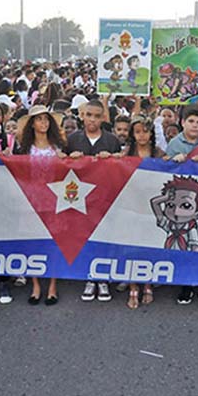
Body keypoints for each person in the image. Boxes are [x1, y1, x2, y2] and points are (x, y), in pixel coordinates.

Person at [66, 99, 122, 302]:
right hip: (80, 199)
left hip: (104, 197)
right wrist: (69, 158)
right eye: (89, 115)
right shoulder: (72, 139)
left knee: (104, 236)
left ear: (103, 118)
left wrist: (114, 158)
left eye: (97, 116)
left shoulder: (111, 140)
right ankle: (89, 277)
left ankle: (103, 278)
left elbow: (122, 167)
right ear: (83, 116)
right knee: (84, 237)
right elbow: (62, 167)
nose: (92, 119)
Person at [14, 105, 67, 306]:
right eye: (39, 119)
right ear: (32, 123)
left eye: (46, 119)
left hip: (54, 200)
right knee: (32, 242)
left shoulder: (58, 147)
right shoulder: (25, 149)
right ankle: (35, 284)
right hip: (30, 201)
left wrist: (69, 159)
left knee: (53, 242)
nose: (43, 123)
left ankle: (52, 285)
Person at [123, 115, 164, 309]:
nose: (141, 135)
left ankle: (147, 283)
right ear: (132, 134)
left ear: (151, 133)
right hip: (131, 207)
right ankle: (133, 287)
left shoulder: (158, 153)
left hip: (152, 208)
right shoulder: (126, 153)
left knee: (149, 246)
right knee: (132, 247)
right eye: (137, 131)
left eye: (145, 131)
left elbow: (173, 166)